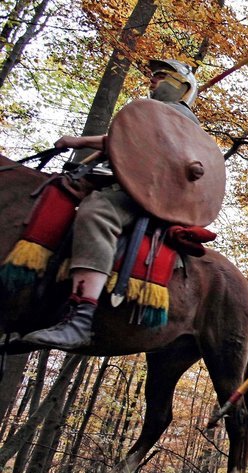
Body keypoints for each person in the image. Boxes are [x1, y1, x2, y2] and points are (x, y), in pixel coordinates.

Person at [21, 59, 199, 350]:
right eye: (152, 75)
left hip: (143, 194)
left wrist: (79, 141)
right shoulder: (156, 113)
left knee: (97, 212)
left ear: (183, 87)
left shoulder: (179, 117)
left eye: (161, 75)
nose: (152, 80)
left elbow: (124, 141)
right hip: (118, 182)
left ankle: (80, 321)